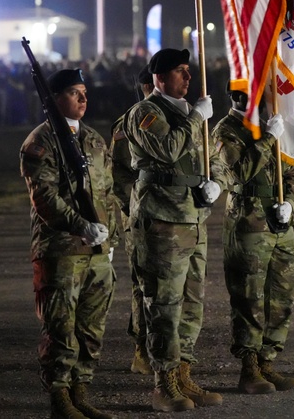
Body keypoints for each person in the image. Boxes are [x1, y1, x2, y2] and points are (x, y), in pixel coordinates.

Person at [123, 48, 222, 412]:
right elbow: (167, 150)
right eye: (179, 72)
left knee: (192, 303)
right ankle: (163, 382)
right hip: (162, 219)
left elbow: (205, 159)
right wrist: (196, 117)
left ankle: (183, 374)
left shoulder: (185, 114)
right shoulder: (145, 112)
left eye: (188, 71)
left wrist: (214, 182)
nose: (187, 77)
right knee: (164, 303)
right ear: (159, 78)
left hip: (193, 217)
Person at [19, 68, 117, 419]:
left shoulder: (93, 139)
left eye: (85, 92)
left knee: (91, 327)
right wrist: (81, 225)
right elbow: (44, 197)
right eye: (75, 93)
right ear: (54, 98)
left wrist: (112, 236)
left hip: (96, 252)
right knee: (60, 327)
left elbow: (107, 193)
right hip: (60, 249)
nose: (83, 99)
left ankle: (81, 391)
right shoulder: (40, 142)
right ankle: (60, 398)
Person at [211, 83, 294, 394]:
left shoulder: (271, 123)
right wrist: (268, 140)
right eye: (247, 95)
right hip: (248, 221)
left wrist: (291, 202)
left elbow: (292, 171)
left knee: (281, 295)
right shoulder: (226, 130)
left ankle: (268, 361)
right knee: (249, 297)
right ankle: (249, 367)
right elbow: (239, 171)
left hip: (279, 222)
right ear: (236, 98)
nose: (255, 100)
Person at [108, 65, 153, 375]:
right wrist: (135, 204)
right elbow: (119, 173)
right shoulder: (129, 124)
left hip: (173, 215)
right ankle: (142, 348)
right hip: (139, 216)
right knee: (142, 282)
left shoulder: (180, 118)